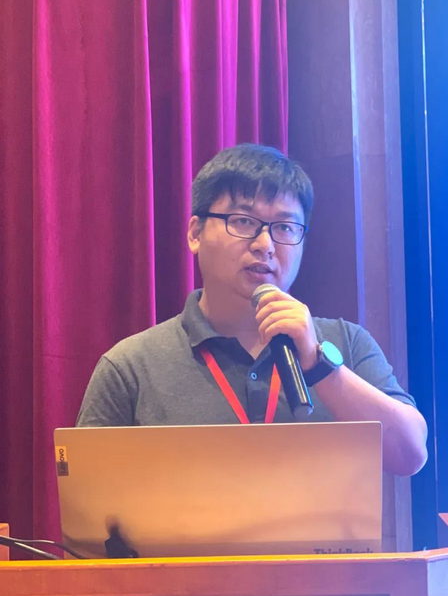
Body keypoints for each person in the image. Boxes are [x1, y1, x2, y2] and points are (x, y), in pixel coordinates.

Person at [77, 143, 427, 478]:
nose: (265, 245)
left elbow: (410, 454)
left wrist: (318, 365)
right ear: (195, 233)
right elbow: (89, 502)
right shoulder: (131, 366)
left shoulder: (346, 342)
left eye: (285, 227)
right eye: (243, 221)